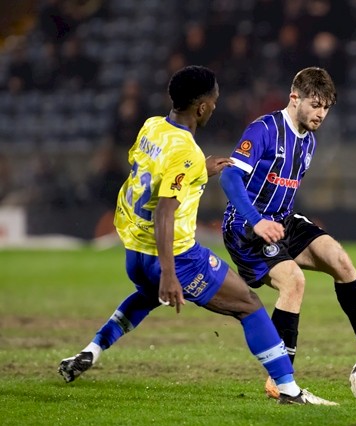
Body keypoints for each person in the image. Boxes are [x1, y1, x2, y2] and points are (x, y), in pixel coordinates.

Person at [58, 65, 337, 406]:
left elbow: (149, 175)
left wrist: (199, 170)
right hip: (175, 256)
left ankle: (91, 350)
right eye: (214, 101)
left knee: (146, 295)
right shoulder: (186, 153)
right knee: (249, 306)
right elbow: (165, 210)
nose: (216, 107)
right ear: (202, 107)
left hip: (135, 252)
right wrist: (170, 274)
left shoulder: (153, 127)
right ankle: (289, 390)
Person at [219, 67, 356, 399]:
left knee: (339, 258)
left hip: (283, 221)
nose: (321, 114)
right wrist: (257, 221)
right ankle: (280, 377)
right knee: (293, 281)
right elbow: (229, 179)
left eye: (326, 108)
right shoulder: (264, 129)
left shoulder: (309, 140)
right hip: (247, 229)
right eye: (316, 105)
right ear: (295, 98)